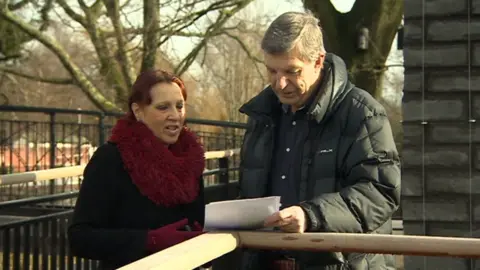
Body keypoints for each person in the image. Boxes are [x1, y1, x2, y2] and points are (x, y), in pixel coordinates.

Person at [237, 11, 401, 270]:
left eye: (292, 71)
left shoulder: (362, 114)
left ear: (319, 61)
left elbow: (380, 193)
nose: (280, 83)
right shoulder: (261, 116)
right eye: (272, 70)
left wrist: (311, 215)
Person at [68, 69, 207, 269]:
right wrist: (149, 240)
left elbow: (197, 224)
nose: (175, 116)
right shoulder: (111, 159)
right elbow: (79, 238)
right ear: (138, 111)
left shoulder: (190, 160)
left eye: (179, 106)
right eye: (163, 107)